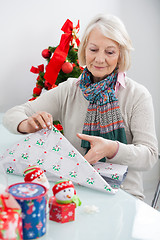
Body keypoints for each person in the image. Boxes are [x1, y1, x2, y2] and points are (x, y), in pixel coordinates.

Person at [3, 14, 158, 200]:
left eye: (110, 52)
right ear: (84, 50)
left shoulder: (137, 96)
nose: (100, 59)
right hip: (75, 190)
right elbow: (12, 115)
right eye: (93, 49)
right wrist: (27, 124)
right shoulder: (69, 90)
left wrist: (112, 149)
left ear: (120, 55)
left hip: (124, 195)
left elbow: (149, 156)